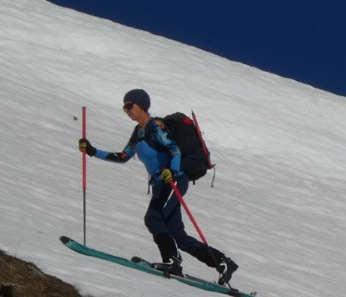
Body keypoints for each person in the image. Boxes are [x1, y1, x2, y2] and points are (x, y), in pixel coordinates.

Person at [78, 89, 238, 285]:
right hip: (160, 184)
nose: (126, 110)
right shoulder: (138, 133)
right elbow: (123, 157)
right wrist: (93, 152)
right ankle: (222, 262)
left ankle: (172, 261)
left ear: (141, 105)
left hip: (173, 180)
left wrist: (172, 170)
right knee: (177, 233)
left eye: (129, 106)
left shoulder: (156, 126)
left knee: (153, 218)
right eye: (124, 107)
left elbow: (174, 149)